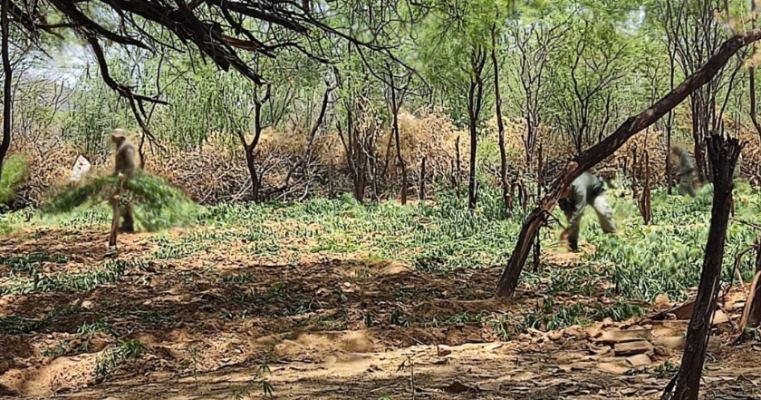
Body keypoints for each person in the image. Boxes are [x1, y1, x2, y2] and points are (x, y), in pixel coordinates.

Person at [558, 171, 616, 252]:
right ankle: (572, 245)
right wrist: (569, 218)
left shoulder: (578, 188)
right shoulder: (559, 193)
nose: (560, 196)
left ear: (568, 188)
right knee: (571, 219)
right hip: (575, 197)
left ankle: (612, 236)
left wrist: (567, 230)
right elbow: (568, 212)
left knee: (602, 211)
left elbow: (579, 213)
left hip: (594, 192)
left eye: (562, 193)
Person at [110, 129, 137, 233]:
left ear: (120, 137)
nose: (112, 137)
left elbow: (131, 164)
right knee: (118, 200)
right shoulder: (120, 146)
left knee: (124, 201)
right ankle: (126, 223)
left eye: (115, 136)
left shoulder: (127, 146)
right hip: (120, 178)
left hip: (126, 179)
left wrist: (125, 176)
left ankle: (128, 224)